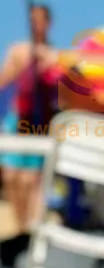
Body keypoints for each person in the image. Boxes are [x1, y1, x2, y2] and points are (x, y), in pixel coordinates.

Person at [0, 3, 58, 232]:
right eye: (32, 19)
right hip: (17, 118)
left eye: (39, 19)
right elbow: (4, 81)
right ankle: (20, 226)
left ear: (48, 23)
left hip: (39, 121)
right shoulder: (19, 51)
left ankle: (30, 228)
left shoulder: (53, 55)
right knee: (11, 175)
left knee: (31, 179)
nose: (35, 24)